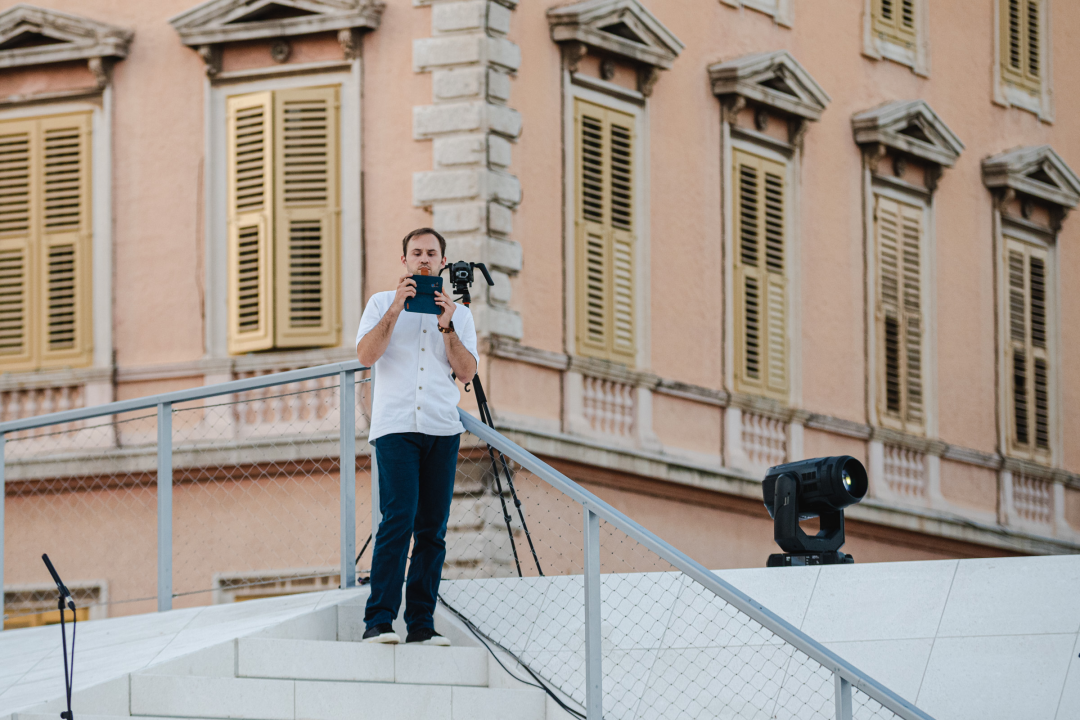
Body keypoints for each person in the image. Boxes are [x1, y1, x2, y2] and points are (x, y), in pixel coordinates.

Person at [355, 227, 478, 646]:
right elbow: (367, 355)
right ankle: (379, 621)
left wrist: (448, 327)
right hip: (396, 427)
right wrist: (395, 309)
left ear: (443, 262)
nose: (424, 259)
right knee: (398, 520)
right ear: (404, 260)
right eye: (416, 253)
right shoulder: (379, 304)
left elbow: (466, 372)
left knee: (432, 530)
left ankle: (421, 625)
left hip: (442, 429)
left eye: (431, 253)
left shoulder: (459, 314)